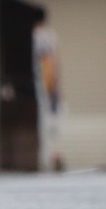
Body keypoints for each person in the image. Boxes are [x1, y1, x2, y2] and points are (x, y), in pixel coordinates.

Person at [32, 9, 64, 171]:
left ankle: (47, 159)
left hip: (40, 85)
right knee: (52, 124)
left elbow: (47, 61)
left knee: (44, 124)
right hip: (48, 85)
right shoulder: (49, 36)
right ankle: (54, 155)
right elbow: (53, 62)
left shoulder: (36, 36)